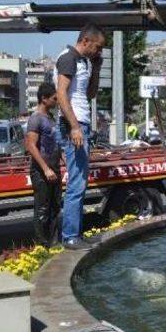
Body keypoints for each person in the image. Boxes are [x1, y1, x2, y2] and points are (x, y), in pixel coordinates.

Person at [54, 22, 105, 250]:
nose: (99, 51)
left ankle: (75, 234)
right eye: (98, 47)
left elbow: (90, 94)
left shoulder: (84, 61)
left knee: (80, 182)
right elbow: (61, 93)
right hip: (74, 125)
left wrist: (98, 67)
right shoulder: (68, 58)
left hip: (81, 124)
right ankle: (71, 237)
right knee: (76, 182)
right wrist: (74, 127)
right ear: (86, 41)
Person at [25, 83, 61, 248]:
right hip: (41, 172)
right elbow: (31, 145)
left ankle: (54, 243)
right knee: (42, 210)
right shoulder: (36, 118)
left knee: (55, 207)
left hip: (54, 170)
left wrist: (63, 162)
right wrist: (45, 169)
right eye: (54, 98)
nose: (57, 100)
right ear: (44, 99)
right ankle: (42, 246)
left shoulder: (51, 118)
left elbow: (55, 144)